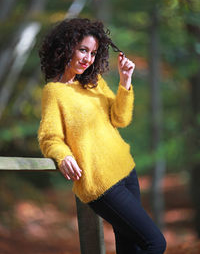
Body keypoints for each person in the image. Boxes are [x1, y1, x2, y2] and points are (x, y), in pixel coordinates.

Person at [38, 18, 166, 254]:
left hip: (126, 170)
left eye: (93, 52)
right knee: (155, 243)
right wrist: (63, 156)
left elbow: (121, 119)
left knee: (132, 248)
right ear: (66, 47)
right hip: (100, 183)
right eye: (83, 50)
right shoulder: (54, 92)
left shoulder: (94, 83)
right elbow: (49, 137)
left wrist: (125, 82)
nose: (88, 58)